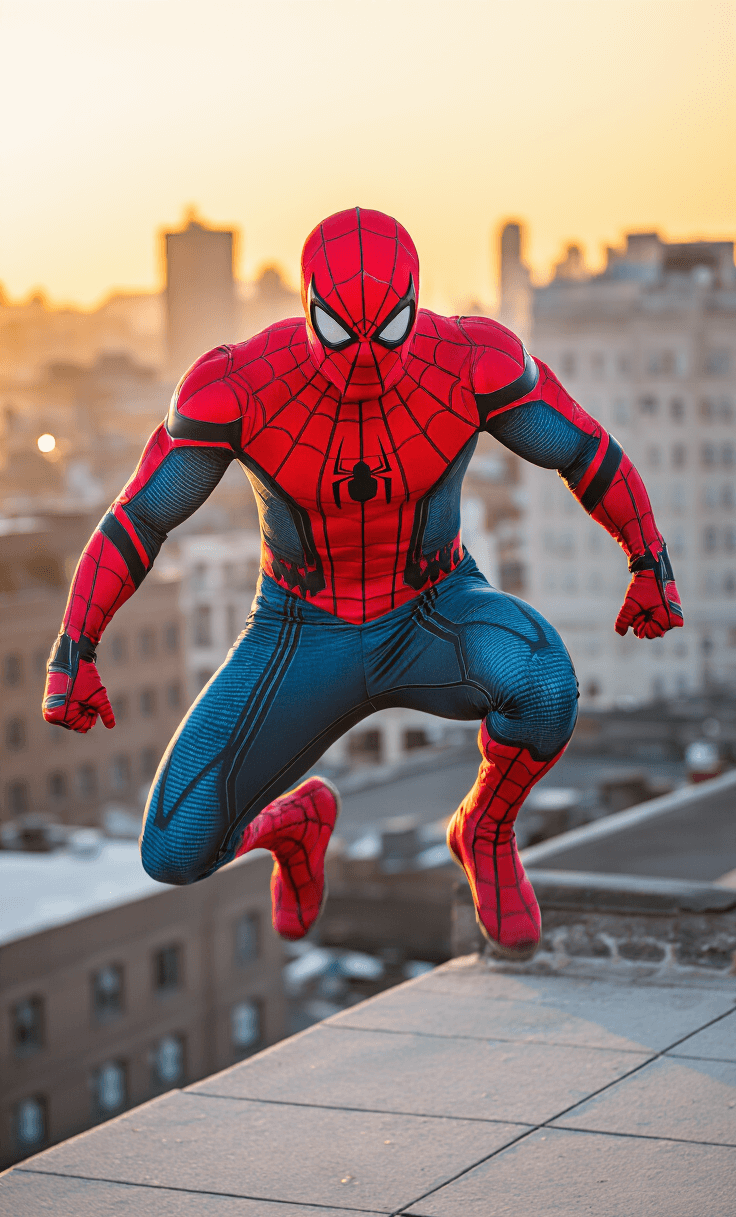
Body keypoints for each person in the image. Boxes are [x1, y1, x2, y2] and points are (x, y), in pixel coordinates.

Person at [43, 207, 683, 960]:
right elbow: (141, 518)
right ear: (308, 308)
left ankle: (486, 829)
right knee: (174, 853)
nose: (366, 360)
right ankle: (293, 823)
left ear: (417, 302)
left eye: (389, 330)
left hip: (434, 611)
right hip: (299, 631)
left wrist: (650, 561)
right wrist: (73, 648)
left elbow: (582, 449)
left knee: (544, 684)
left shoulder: (474, 360)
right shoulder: (237, 385)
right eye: (343, 333)